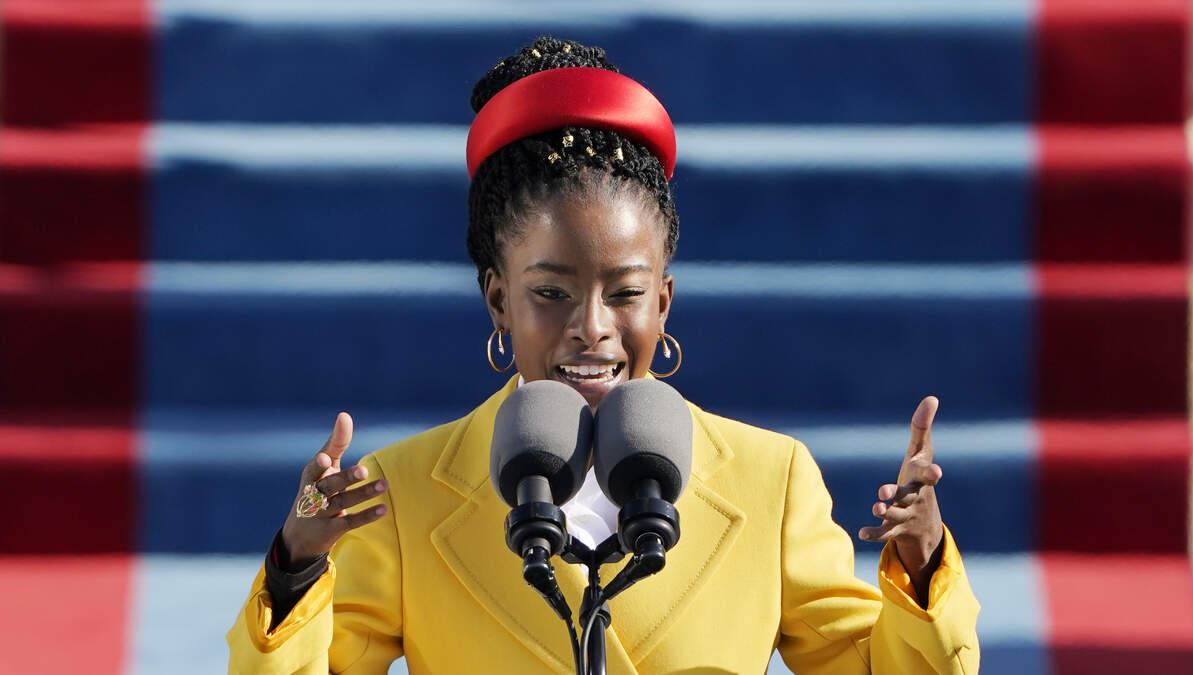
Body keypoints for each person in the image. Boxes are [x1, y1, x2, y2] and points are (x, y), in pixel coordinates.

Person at [226, 36, 980, 675]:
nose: (592, 327)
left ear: (664, 302)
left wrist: (922, 567)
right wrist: (296, 566)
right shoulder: (405, 493)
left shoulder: (770, 480)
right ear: (498, 299)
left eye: (625, 292)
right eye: (551, 292)